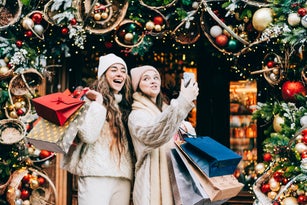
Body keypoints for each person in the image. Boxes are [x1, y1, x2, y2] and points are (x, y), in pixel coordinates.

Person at [62, 53, 134, 205]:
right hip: (95, 173)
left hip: (122, 176)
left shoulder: (126, 106)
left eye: (123, 70)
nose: (119, 74)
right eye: (114, 69)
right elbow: (88, 135)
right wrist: (99, 103)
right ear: (103, 74)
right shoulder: (89, 100)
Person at [128, 65, 199, 205]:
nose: (153, 81)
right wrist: (183, 101)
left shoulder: (166, 111)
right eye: (146, 79)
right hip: (151, 184)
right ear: (137, 86)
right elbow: (154, 134)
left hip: (175, 180)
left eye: (156, 78)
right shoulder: (136, 115)